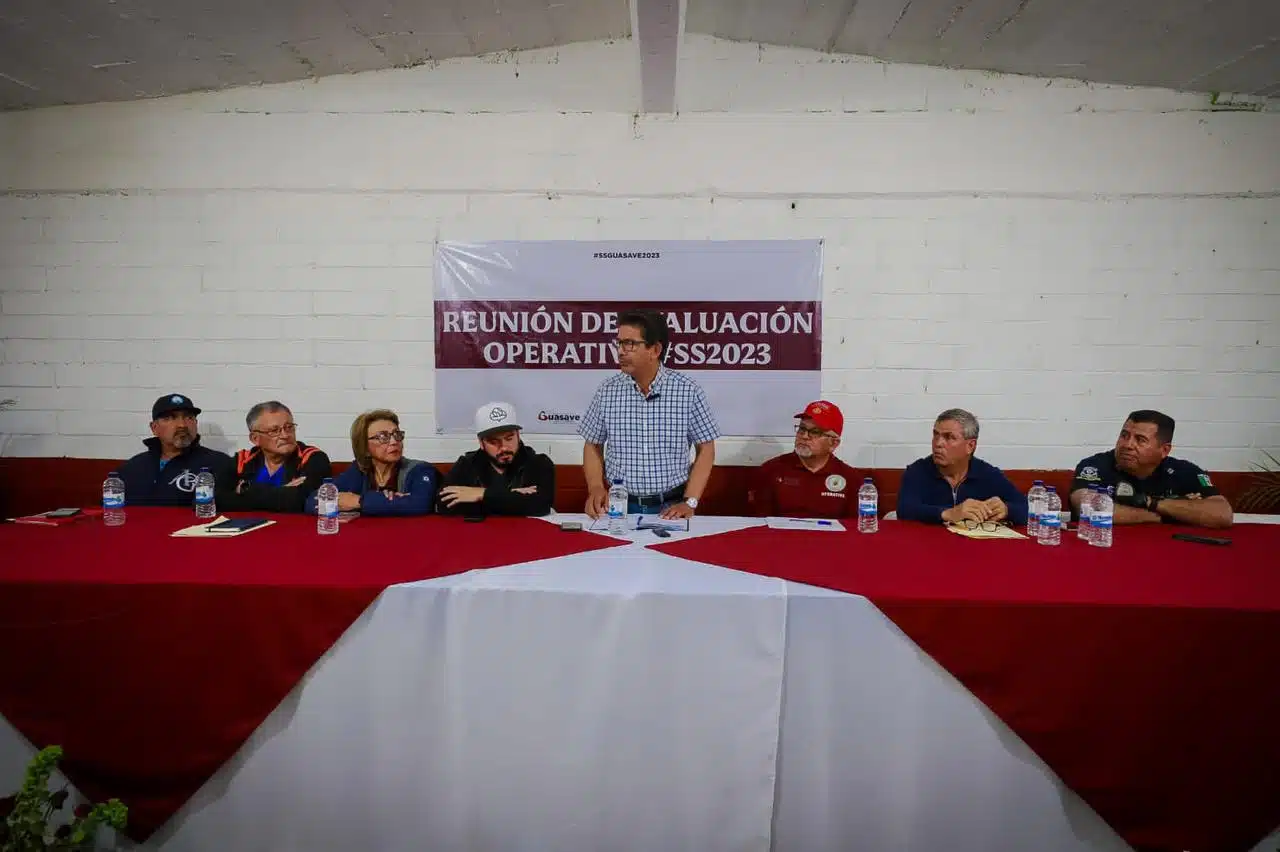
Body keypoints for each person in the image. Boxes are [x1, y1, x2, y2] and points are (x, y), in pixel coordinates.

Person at [579, 309, 720, 519]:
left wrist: (690, 501)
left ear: (655, 349)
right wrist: (596, 487)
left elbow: (706, 448)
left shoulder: (687, 390)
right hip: (619, 505)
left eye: (630, 344)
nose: (621, 351)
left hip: (671, 507)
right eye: (619, 343)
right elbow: (592, 443)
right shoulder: (607, 391)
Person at [1071, 410, 1232, 528]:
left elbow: (1222, 514)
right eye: (1124, 435)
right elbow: (1088, 509)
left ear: (1164, 450)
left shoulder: (1184, 471)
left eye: (1140, 440)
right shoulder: (1095, 466)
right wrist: (1175, 512)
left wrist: (1151, 503)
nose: (1127, 445)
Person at [897, 408, 1027, 525]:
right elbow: (904, 510)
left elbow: (1027, 508)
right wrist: (948, 514)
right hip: (929, 545)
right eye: (936, 435)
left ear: (970, 446)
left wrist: (1007, 509)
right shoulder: (917, 471)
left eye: (949, 437)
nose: (938, 443)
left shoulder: (987, 474)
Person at [306, 409, 438, 516]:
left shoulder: (419, 470)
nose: (394, 441)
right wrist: (389, 502)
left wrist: (358, 501)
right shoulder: (359, 471)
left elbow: (419, 504)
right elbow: (313, 502)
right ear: (365, 448)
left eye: (397, 434)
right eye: (383, 437)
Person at [437, 402, 556, 517]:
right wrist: (512, 497)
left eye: (509, 438)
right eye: (494, 442)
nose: (504, 447)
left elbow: (540, 505)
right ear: (481, 443)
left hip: (523, 534)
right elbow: (444, 504)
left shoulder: (538, 463)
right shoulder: (467, 464)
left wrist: (482, 494)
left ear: (518, 436)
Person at [748, 400, 860, 519]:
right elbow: (759, 525)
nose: (805, 436)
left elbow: (855, 530)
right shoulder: (770, 471)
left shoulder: (852, 480)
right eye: (802, 429)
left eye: (815, 432)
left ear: (833, 443)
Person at [117, 393, 233, 506]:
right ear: (154, 428)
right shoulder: (132, 468)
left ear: (195, 423)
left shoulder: (219, 464)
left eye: (188, 417)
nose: (182, 425)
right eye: (170, 418)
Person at [219, 401, 332, 513]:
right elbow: (218, 501)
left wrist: (247, 490)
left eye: (289, 427)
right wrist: (283, 492)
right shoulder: (242, 460)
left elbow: (302, 502)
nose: (285, 435)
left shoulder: (313, 458)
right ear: (255, 438)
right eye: (274, 431)